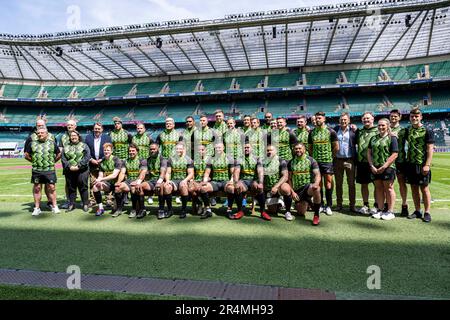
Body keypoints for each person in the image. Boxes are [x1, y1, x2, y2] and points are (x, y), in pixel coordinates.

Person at [405, 108, 435, 223]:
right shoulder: (408, 130)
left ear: (420, 117)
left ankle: (427, 212)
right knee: (414, 188)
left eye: (416, 116)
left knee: (424, 188)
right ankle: (417, 211)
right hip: (411, 164)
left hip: (422, 164)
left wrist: (427, 165)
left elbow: (430, 149)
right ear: (410, 118)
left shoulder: (427, 130)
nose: (414, 118)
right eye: (412, 116)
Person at [24, 128, 61, 216]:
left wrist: (52, 162)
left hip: (49, 169)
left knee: (51, 188)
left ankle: (55, 206)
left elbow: (59, 154)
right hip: (37, 170)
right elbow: (26, 155)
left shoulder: (52, 143)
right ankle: (37, 208)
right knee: (37, 188)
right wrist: (34, 162)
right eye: (38, 133)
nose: (40, 134)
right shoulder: (32, 143)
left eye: (42, 133)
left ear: (47, 134)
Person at [308, 112, 339, 216]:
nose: (317, 120)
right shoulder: (312, 132)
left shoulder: (331, 131)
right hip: (316, 162)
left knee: (328, 183)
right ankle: (321, 204)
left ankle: (329, 205)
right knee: (319, 184)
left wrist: (330, 157)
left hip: (327, 161)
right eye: (316, 118)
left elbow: (336, 147)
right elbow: (310, 148)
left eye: (319, 118)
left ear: (324, 119)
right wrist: (314, 159)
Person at [367, 119, 398, 221]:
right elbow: (369, 153)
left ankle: (390, 211)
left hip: (388, 167)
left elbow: (395, 154)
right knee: (379, 188)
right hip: (375, 167)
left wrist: (384, 166)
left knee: (389, 188)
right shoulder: (373, 138)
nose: (381, 127)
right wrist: (371, 165)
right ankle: (380, 210)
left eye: (383, 125)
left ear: (388, 126)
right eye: (379, 125)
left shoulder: (392, 138)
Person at [199, 143, 238, 219]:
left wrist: (232, 181)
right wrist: (205, 181)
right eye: (216, 148)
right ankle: (208, 210)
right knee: (203, 189)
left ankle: (229, 210)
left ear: (223, 148)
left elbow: (233, 172)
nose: (218, 149)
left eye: (219, 148)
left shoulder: (229, 158)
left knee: (231, 188)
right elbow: (207, 173)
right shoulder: (211, 159)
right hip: (215, 182)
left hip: (225, 181)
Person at [288, 143, 322, 226]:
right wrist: (292, 192)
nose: (298, 150)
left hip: (308, 187)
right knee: (301, 213)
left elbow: (317, 174)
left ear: (304, 149)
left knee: (316, 189)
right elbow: (289, 179)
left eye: (300, 148)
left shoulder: (311, 160)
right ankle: (307, 201)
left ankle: (316, 214)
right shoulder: (291, 162)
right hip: (297, 190)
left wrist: (316, 183)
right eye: (296, 149)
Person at [114, 144, 148, 218]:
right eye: (130, 151)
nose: (131, 152)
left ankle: (134, 209)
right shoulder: (125, 161)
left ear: (137, 151)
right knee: (117, 188)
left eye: (133, 151)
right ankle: (119, 209)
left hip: (139, 181)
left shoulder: (142, 160)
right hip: (128, 181)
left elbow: (143, 172)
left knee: (133, 187)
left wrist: (137, 181)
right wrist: (119, 182)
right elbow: (122, 172)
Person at [61, 131, 91, 213]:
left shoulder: (84, 146)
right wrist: (69, 166)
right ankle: (71, 204)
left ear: (78, 136)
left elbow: (87, 156)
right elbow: (63, 159)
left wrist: (79, 166)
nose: (73, 137)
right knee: (71, 187)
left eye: (75, 135)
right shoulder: (66, 147)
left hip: (82, 171)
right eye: (71, 136)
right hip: (69, 171)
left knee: (83, 187)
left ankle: (85, 204)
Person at [259, 145, 291, 221]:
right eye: (267, 150)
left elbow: (285, 176)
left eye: (271, 150)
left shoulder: (281, 161)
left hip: (279, 187)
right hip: (269, 189)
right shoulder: (262, 161)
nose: (269, 152)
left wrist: (276, 186)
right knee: (272, 211)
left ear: (276, 151)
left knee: (286, 188)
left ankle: (288, 211)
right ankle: (279, 201)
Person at [233, 143, 264, 220]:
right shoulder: (239, 159)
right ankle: (240, 211)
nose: (246, 149)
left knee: (258, 187)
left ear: (252, 149)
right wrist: (236, 182)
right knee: (238, 187)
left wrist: (260, 183)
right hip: (244, 181)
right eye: (244, 148)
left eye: (248, 147)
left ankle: (263, 212)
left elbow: (260, 171)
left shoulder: (257, 158)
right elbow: (236, 171)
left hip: (254, 180)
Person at [333, 112, 357, 212]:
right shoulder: (335, 130)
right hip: (337, 160)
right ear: (339, 121)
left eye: (345, 119)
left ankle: (352, 205)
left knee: (351, 183)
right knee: (338, 184)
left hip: (349, 160)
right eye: (341, 119)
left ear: (349, 120)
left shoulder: (353, 131)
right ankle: (339, 204)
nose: (343, 121)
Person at [356, 112, 379, 215]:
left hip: (374, 163)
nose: (366, 120)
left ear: (373, 119)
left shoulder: (378, 130)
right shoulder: (359, 131)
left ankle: (376, 205)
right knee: (364, 185)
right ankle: (365, 205)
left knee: (376, 185)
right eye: (364, 118)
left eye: (368, 118)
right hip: (361, 162)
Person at [164, 143, 195, 219]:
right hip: (174, 180)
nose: (178, 150)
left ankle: (183, 210)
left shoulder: (188, 160)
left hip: (185, 180)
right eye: (177, 149)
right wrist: (167, 180)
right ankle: (170, 210)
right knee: (167, 187)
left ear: (184, 149)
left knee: (183, 186)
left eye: (180, 149)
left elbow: (191, 174)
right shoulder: (171, 159)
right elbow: (168, 172)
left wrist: (185, 180)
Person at [91, 143, 122, 216]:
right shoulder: (102, 161)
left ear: (111, 151)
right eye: (105, 150)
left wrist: (102, 179)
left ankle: (119, 204)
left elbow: (114, 175)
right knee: (95, 187)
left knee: (115, 209)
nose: (106, 152)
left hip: (118, 184)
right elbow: (100, 174)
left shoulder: (116, 159)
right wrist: (98, 180)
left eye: (108, 150)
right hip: (108, 184)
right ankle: (101, 208)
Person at [138, 143, 167, 219]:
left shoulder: (162, 159)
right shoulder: (146, 160)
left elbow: (163, 172)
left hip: (161, 181)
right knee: (140, 186)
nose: (152, 150)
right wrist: (138, 182)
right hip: (151, 181)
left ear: (158, 149)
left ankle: (161, 209)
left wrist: (159, 182)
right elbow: (143, 172)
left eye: (154, 149)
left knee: (159, 187)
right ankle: (142, 209)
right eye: (151, 149)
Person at [85, 122, 112, 205]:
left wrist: (102, 159)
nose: (97, 130)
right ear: (93, 129)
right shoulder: (88, 138)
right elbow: (86, 150)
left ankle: (108, 199)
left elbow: (109, 149)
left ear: (102, 129)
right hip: (92, 163)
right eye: (95, 128)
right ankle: (93, 200)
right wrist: (91, 159)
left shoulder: (107, 138)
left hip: (104, 163)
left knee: (106, 181)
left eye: (99, 129)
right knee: (93, 181)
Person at [389, 109, 409, 217]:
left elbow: (412, 141)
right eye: (392, 116)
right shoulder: (385, 128)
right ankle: (387, 205)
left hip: (400, 160)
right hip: (387, 160)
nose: (393, 118)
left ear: (400, 117)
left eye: (395, 116)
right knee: (387, 184)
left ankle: (404, 205)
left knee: (402, 183)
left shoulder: (403, 130)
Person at [59, 119, 79, 210]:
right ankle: (69, 201)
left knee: (81, 183)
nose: (69, 126)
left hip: (79, 164)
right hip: (67, 164)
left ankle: (82, 200)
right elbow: (60, 150)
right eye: (68, 125)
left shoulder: (79, 135)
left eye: (71, 125)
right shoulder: (62, 137)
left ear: (75, 126)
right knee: (68, 183)